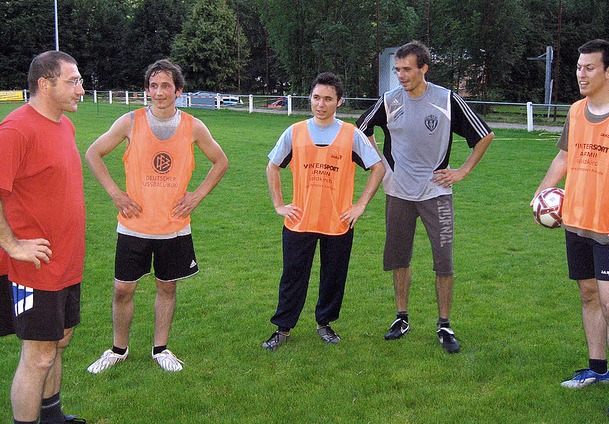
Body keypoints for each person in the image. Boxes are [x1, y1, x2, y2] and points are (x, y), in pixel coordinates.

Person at [85, 59, 228, 373]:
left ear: (178, 91)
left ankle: (160, 349)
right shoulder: (130, 121)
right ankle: (118, 349)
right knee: (123, 288)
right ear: (146, 89)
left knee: (167, 287)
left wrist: (197, 196)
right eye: (153, 85)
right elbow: (93, 153)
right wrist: (115, 193)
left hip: (173, 226)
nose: (159, 92)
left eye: (166, 86)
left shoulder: (193, 126)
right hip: (134, 225)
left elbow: (221, 161)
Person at [356, 40, 494, 353]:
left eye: (407, 69)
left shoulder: (446, 100)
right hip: (398, 193)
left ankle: (444, 324)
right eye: (398, 70)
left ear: (423, 69)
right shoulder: (390, 100)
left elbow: (484, 135)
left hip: (437, 192)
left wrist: (462, 172)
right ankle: (401, 317)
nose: (401, 75)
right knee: (399, 258)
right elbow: (361, 127)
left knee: (444, 261)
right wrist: (380, 165)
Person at [533, 39, 609, 423]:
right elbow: (565, 154)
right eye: (579, 67)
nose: (581, 73)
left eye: (589, 68)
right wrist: (543, 192)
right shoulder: (577, 112)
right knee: (589, 294)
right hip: (577, 220)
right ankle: (597, 368)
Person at [262, 72, 385, 350]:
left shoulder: (350, 134)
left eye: (328, 98)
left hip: (338, 221)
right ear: (310, 98)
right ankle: (283, 328)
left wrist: (360, 205)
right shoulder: (294, 132)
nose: (321, 104)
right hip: (299, 220)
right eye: (317, 97)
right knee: (292, 276)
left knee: (333, 276)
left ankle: (324, 323)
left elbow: (377, 167)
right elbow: (272, 167)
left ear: (338, 101)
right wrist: (279, 205)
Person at [0, 50, 86, 424]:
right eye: (73, 81)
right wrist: (13, 245)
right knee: (38, 356)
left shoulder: (64, 124)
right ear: (44, 84)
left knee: (59, 343)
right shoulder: (16, 130)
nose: (81, 89)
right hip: (35, 268)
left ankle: (52, 417)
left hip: (67, 260)